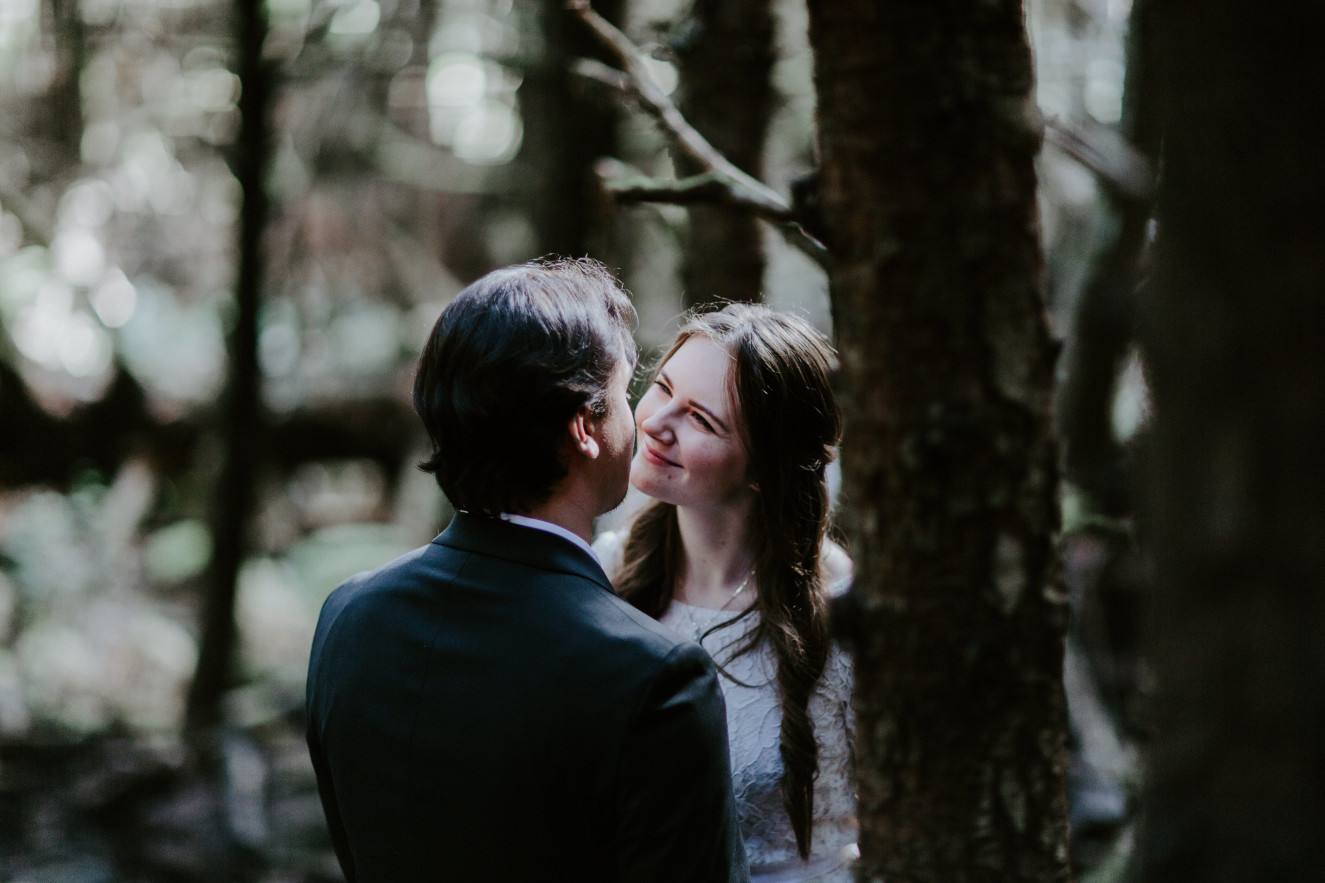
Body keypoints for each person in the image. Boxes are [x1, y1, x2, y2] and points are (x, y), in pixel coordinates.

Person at [306, 259, 749, 883]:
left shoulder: (347, 618)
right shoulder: (652, 678)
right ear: (584, 427)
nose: (641, 421)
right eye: (625, 394)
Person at [595, 303, 857, 882]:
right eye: (662, 388)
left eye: (702, 420)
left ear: (766, 467)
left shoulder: (842, 612)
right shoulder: (603, 572)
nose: (657, 423)